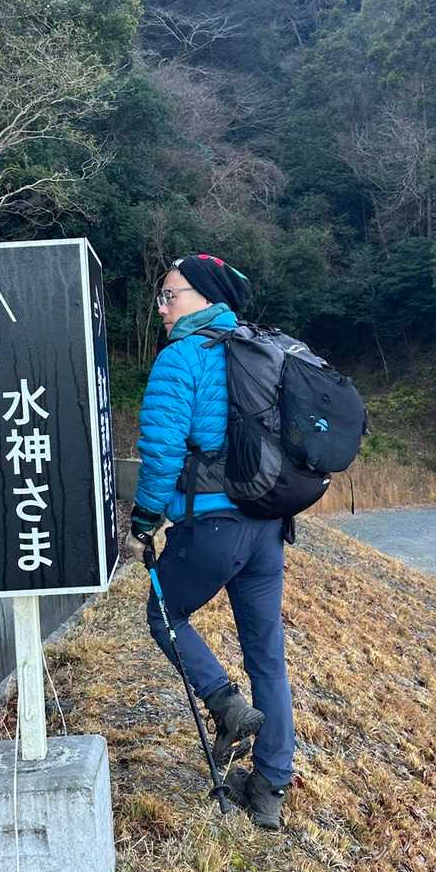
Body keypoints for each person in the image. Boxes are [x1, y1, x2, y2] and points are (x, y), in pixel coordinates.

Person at [126, 253, 294, 830]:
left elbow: (162, 451)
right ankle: (270, 787)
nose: (162, 307)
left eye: (170, 295)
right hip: (268, 525)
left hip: (214, 527)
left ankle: (225, 705)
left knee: (165, 613)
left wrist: (145, 520)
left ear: (203, 296)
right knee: (267, 655)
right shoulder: (261, 349)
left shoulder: (182, 358)